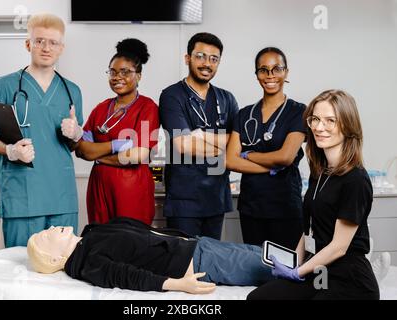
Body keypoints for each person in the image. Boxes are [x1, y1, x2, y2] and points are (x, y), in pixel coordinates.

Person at [247, 89, 380, 300]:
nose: (319, 127)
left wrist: (297, 272)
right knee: (258, 298)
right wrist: (296, 263)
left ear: (347, 125)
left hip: (349, 279)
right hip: (319, 269)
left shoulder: (356, 180)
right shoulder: (320, 173)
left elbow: (338, 247)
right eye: (315, 119)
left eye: (330, 121)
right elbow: (308, 228)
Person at [0, 14, 84, 247]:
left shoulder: (71, 91)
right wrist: (10, 150)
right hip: (23, 196)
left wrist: (76, 134)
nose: (46, 48)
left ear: (61, 48)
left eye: (53, 42)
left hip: (61, 199)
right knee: (20, 271)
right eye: (40, 41)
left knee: (61, 271)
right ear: (28, 44)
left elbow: (74, 146)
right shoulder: (4, 86)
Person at [27, 217, 274, 293]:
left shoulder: (89, 236)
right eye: (46, 237)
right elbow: (127, 276)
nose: (49, 229)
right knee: (278, 270)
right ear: (54, 259)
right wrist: (178, 285)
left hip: (197, 245)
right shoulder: (88, 262)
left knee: (266, 255)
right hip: (198, 261)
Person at [159, 32, 239, 239]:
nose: (207, 63)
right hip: (184, 200)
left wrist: (200, 135)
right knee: (184, 263)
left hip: (216, 197)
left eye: (214, 59)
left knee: (211, 259)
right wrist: (222, 144)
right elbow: (183, 146)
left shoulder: (227, 98)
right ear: (188, 58)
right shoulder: (172, 95)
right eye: (200, 56)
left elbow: (239, 142)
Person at [72, 38, 160, 225]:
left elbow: (137, 156)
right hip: (99, 191)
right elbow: (81, 150)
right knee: (101, 244)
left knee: (131, 246)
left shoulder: (147, 107)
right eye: (112, 71)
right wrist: (114, 146)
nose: (117, 77)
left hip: (132, 192)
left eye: (125, 72)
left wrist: (98, 156)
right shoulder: (100, 109)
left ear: (139, 76)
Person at [226, 47, 306, 249]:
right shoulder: (244, 114)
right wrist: (272, 166)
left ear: (286, 72)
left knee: (287, 268)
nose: (270, 75)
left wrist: (249, 154)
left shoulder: (298, 111)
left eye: (277, 69)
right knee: (255, 267)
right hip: (252, 207)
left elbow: (286, 157)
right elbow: (230, 160)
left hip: (285, 205)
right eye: (263, 70)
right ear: (257, 75)